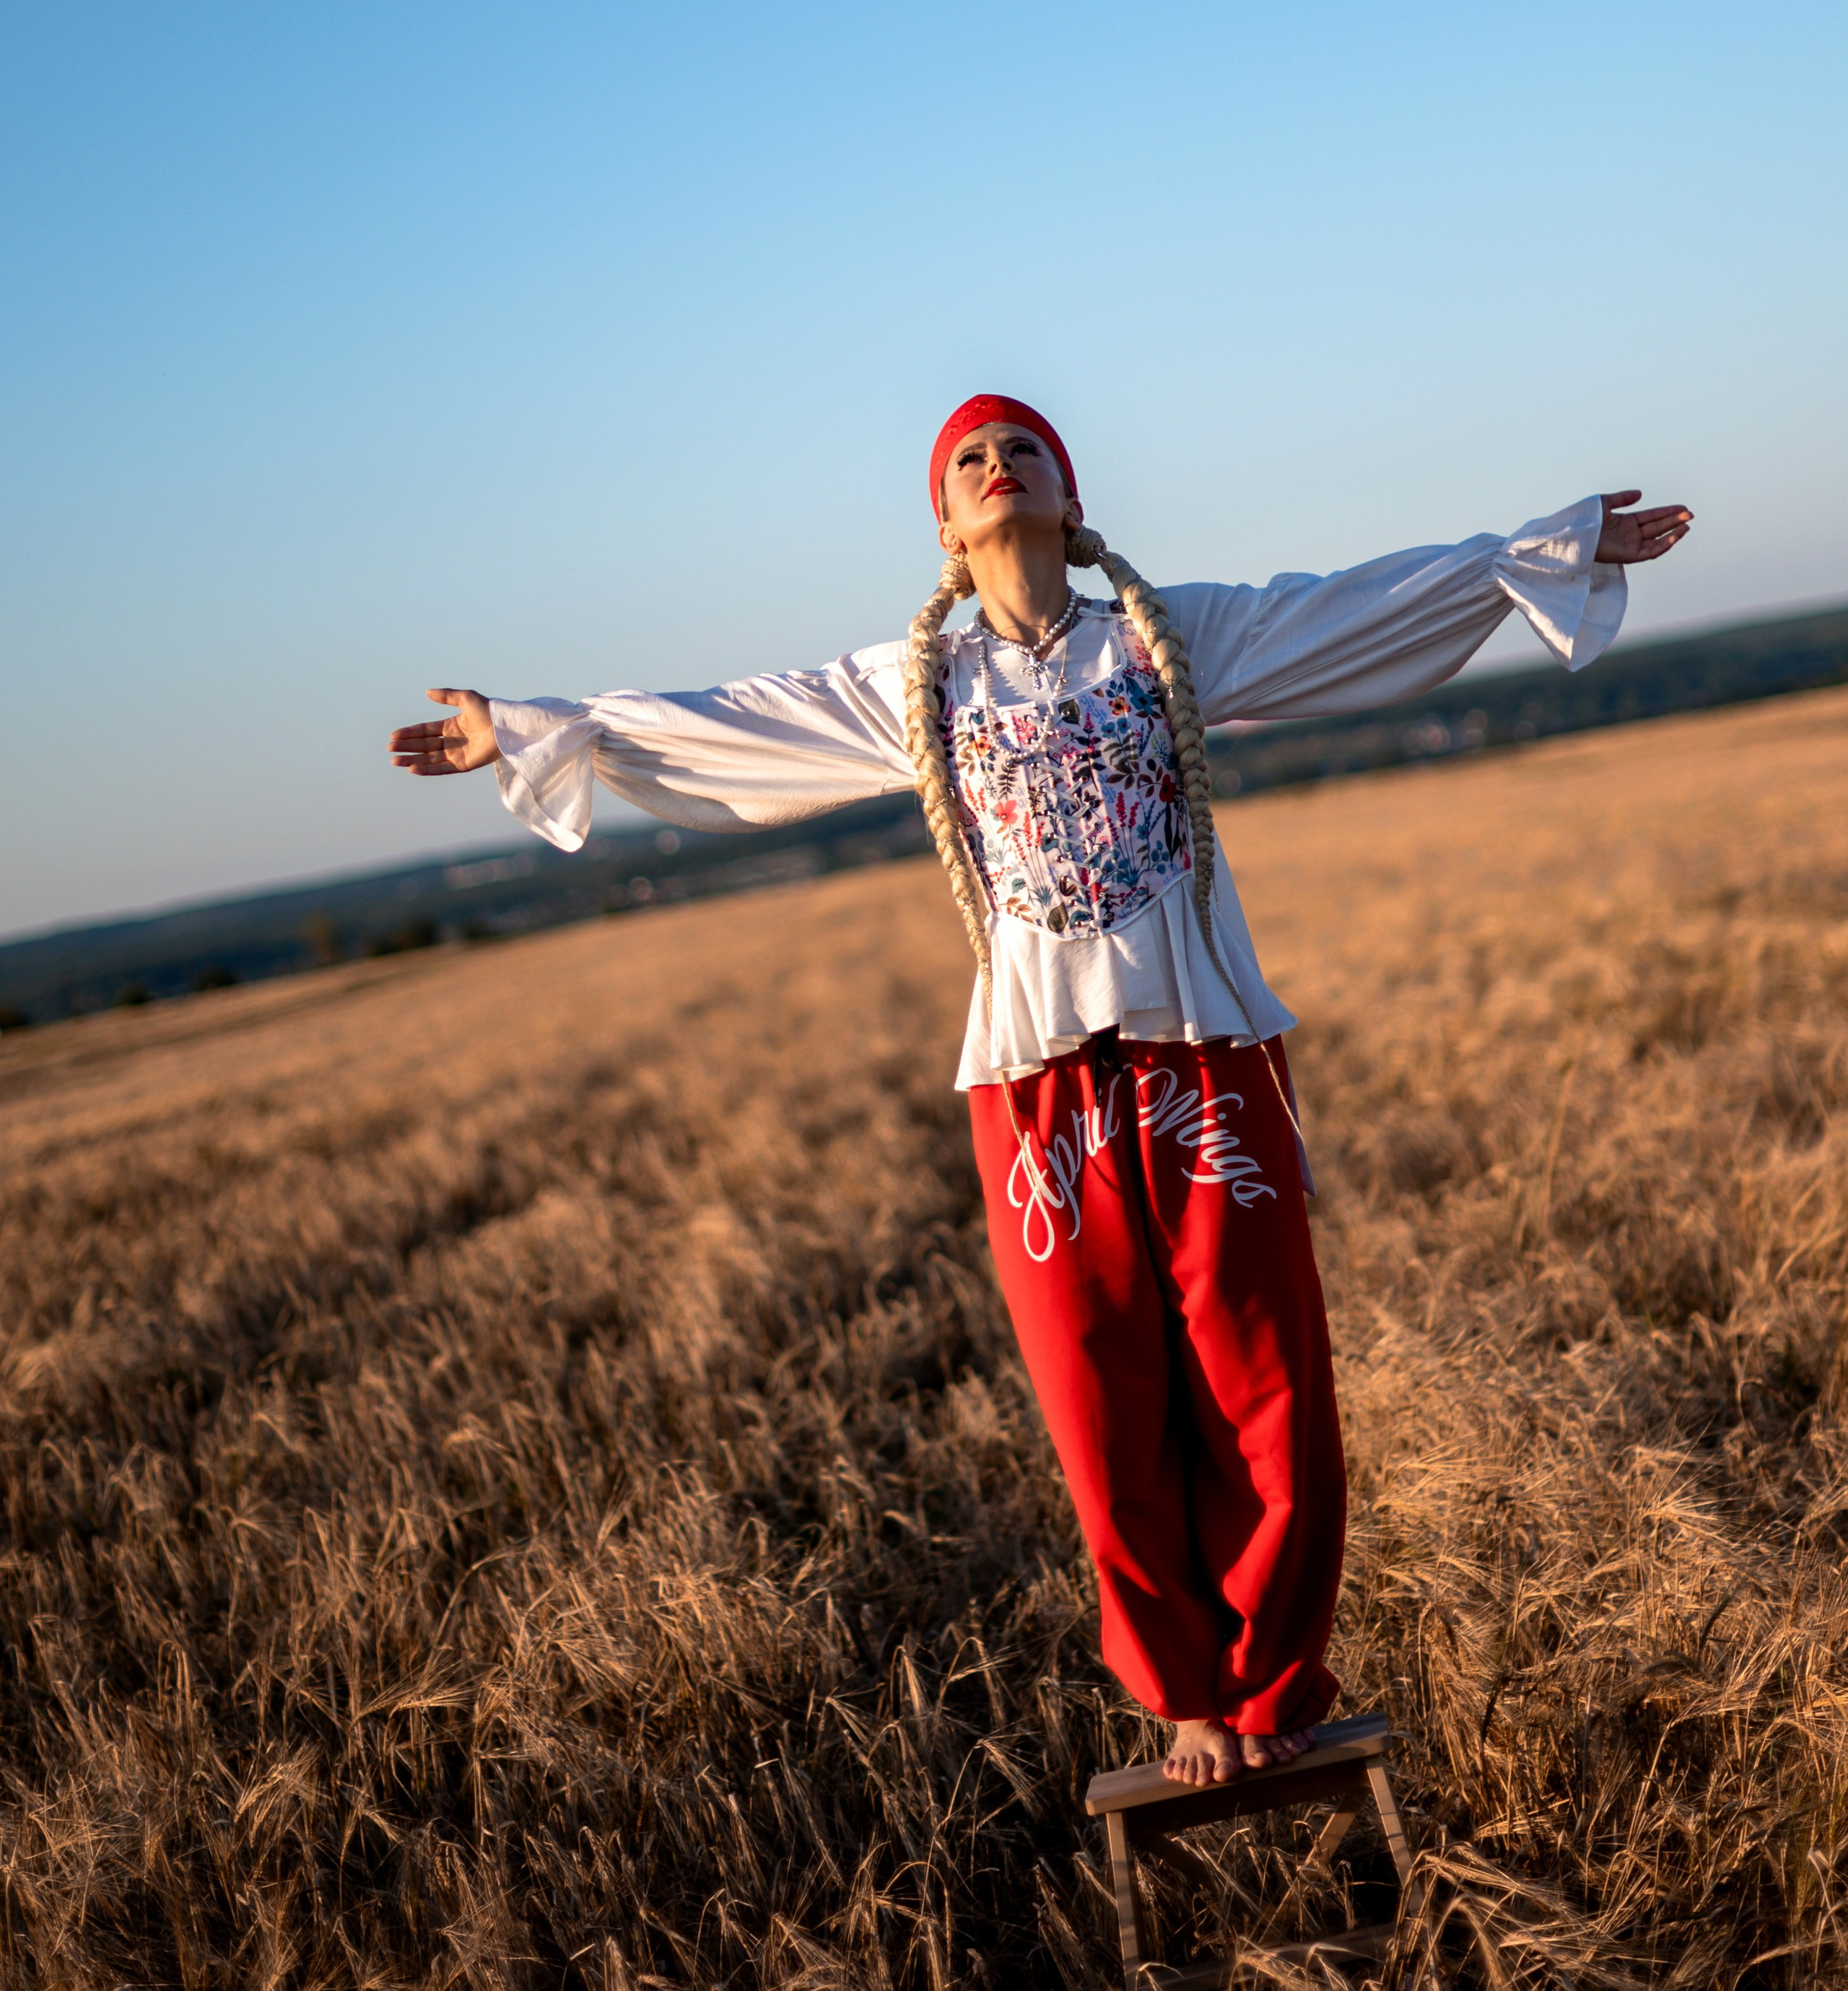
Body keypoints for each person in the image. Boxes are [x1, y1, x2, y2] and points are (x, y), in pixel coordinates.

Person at [388, 396, 1691, 1786]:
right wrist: (535, 730)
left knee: (1266, 1375)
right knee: (1096, 1394)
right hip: (1034, 1090)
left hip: (1203, 1054)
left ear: (1069, 498)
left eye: (1023, 451)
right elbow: (728, 727)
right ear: (944, 525)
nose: (996, 467)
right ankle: (1187, 1695)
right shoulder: (917, 688)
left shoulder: (1168, 635)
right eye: (968, 460)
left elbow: (1353, 608)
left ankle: (1275, 1683)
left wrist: (1542, 549)